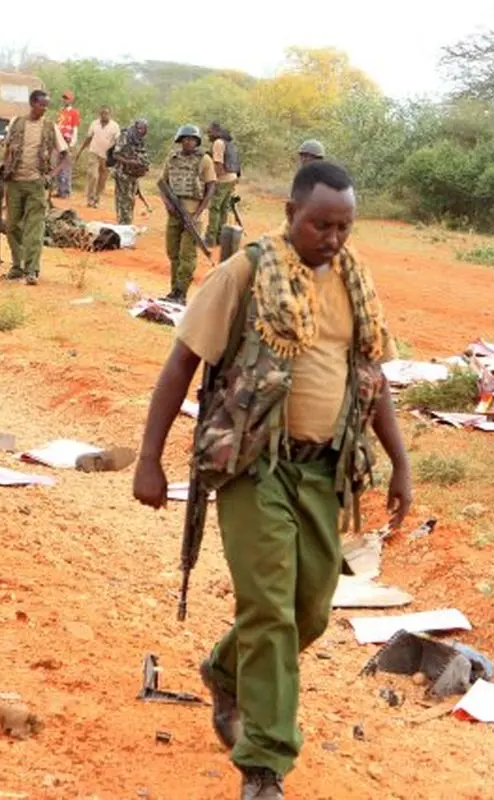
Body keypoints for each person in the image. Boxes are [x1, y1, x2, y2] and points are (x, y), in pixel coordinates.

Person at [133, 160, 412, 800]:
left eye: (344, 226)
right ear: (290, 215)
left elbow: (372, 381)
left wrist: (399, 461)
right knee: (268, 612)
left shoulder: (354, 282)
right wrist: (150, 459)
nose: (333, 238)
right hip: (252, 466)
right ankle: (264, 764)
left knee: (309, 612)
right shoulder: (246, 273)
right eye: (320, 224)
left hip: (323, 471)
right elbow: (180, 364)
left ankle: (224, 669)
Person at [0, 90, 69, 285]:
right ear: (32, 103)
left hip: (36, 184)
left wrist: (50, 175)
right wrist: (3, 168)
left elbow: (65, 155)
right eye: (42, 105)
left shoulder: (49, 127)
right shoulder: (16, 123)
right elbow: (6, 149)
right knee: (12, 226)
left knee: (34, 228)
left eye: (47, 105)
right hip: (14, 182)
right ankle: (17, 266)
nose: (45, 109)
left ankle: (32, 270)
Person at [160, 124, 216, 304]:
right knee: (173, 253)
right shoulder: (172, 158)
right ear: (180, 140)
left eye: (192, 139)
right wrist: (168, 204)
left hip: (192, 215)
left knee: (187, 255)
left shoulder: (204, 160)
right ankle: (173, 291)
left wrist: (198, 213)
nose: (188, 142)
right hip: (174, 213)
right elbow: (163, 183)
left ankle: (181, 293)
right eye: (185, 139)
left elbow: (211, 187)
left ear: (197, 141)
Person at [203, 121, 241, 247]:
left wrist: (213, 180)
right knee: (223, 209)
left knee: (214, 208)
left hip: (223, 179)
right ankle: (221, 238)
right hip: (232, 178)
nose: (208, 135)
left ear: (216, 131)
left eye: (209, 132)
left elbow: (218, 164)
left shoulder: (218, 143)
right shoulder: (229, 143)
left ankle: (210, 239)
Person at [77, 106, 120, 208]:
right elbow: (89, 137)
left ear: (110, 114)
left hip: (107, 156)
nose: (104, 115)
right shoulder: (94, 123)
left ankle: (97, 198)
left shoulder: (115, 126)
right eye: (102, 113)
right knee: (93, 175)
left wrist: (117, 156)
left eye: (106, 113)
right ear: (99, 114)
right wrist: (80, 150)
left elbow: (118, 141)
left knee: (103, 178)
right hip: (94, 152)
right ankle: (90, 199)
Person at [112, 118, 150, 225]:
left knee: (131, 200)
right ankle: (123, 224)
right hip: (123, 173)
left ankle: (126, 223)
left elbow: (142, 155)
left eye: (144, 129)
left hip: (133, 175)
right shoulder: (125, 136)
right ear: (135, 127)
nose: (142, 131)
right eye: (140, 128)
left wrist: (144, 165)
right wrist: (130, 162)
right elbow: (116, 154)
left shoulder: (139, 140)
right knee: (123, 200)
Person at [54, 90, 81, 198]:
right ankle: (59, 189)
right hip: (58, 140)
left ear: (71, 100)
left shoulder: (74, 112)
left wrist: (72, 143)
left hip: (67, 140)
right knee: (57, 165)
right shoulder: (61, 111)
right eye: (64, 98)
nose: (65, 100)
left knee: (66, 166)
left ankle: (66, 191)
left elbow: (75, 128)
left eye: (67, 98)